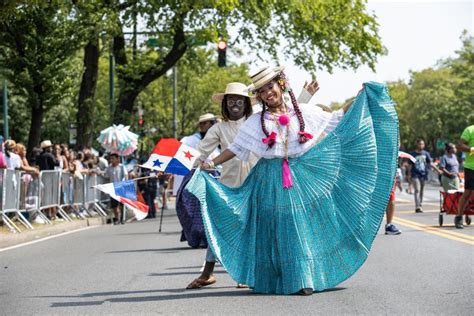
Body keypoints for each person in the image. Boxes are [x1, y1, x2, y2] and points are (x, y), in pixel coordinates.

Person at [186, 65, 398, 295]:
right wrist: (210, 164)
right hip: (267, 180)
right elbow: (236, 149)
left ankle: (304, 277)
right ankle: (281, 276)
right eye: (262, 91)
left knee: (301, 223)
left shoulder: (304, 112)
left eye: (271, 86)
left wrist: (358, 99)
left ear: (281, 85)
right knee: (277, 226)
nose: (268, 93)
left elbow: (337, 119)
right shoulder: (256, 122)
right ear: (258, 97)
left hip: (302, 175)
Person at [185, 81, 320, 289]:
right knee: (220, 226)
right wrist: (190, 164)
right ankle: (207, 273)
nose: (235, 104)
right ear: (225, 104)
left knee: (261, 228)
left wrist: (305, 95)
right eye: (231, 101)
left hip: (259, 183)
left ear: (247, 103)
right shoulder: (218, 128)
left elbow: (287, 114)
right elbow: (200, 152)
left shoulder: (258, 121)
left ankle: (250, 275)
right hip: (230, 185)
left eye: (239, 100)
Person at [455, 125, 474, 229]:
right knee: (468, 193)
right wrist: (471, 149)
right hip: (471, 167)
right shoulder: (470, 130)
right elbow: (459, 146)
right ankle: (459, 217)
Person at [408, 139, 432, 213]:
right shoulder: (413, 154)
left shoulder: (426, 154)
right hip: (415, 174)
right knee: (417, 190)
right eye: (420, 144)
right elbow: (410, 165)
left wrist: (438, 170)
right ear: (417, 144)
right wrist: (408, 174)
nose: (421, 145)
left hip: (423, 174)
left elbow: (430, 163)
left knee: (421, 190)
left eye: (423, 144)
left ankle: (420, 204)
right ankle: (417, 206)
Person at [104, 153, 128, 225]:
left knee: (121, 205)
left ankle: (122, 218)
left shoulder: (122, 167)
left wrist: (126, 185)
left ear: (118, 159)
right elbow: (106, 176)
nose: (111, 160)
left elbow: (126, 176)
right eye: (110, 159)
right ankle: (117, 218)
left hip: (121, 187)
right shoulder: (109, 168)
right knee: (114, 205)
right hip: (113, 188)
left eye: (113, 158)